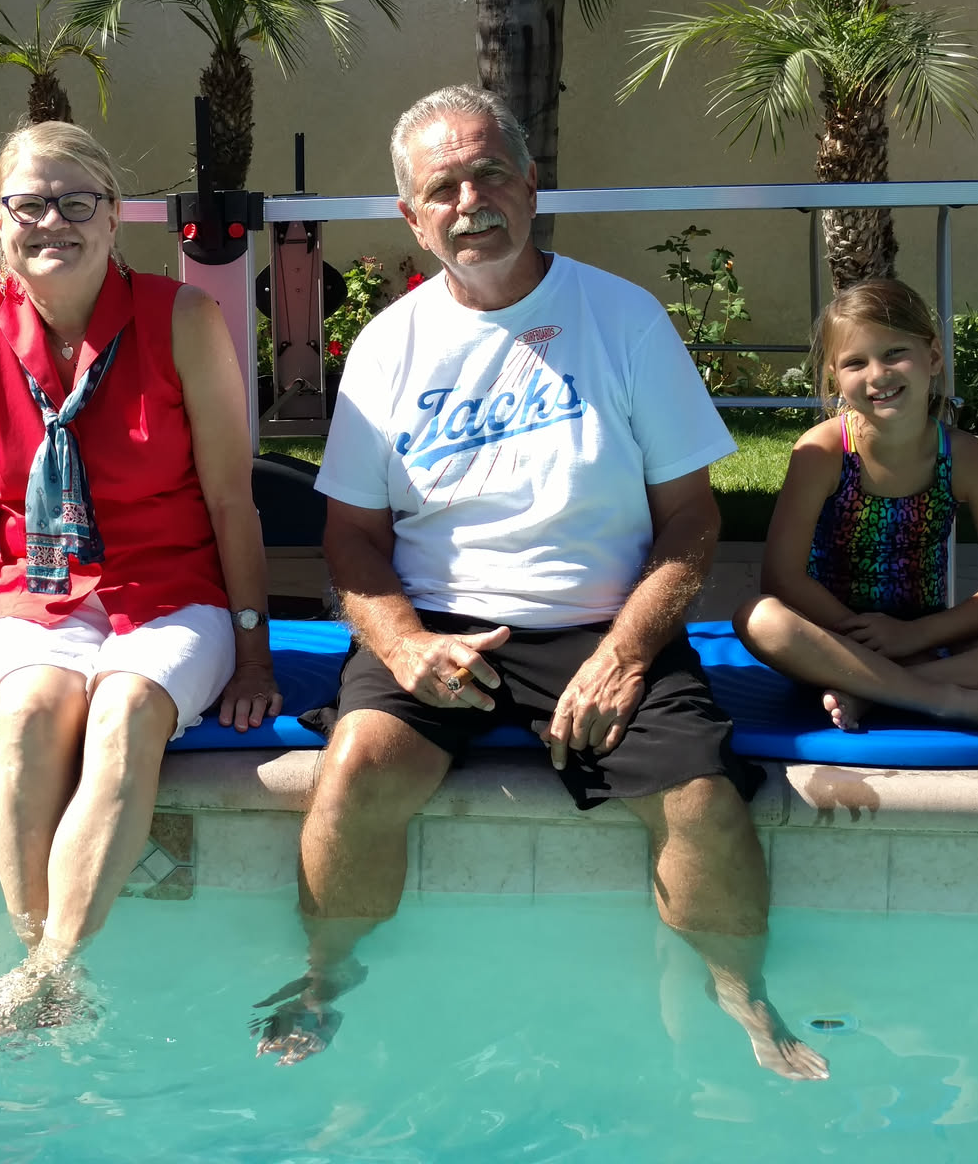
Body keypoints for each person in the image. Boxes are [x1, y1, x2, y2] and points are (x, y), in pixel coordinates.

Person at [252, 85, 827, 1081]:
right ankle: (326, 975)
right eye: (443, 188)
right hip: (439, 629)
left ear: (529, 185)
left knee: (701, 804)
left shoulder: (623, 319)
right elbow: (350, 537)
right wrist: (402, 644)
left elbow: (692, 518)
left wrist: (626, 654)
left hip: (604, 623)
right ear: (413, 218)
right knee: (353, 775)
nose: (470, 201)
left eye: (489, 175)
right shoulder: (388, 346)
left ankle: (739, 990)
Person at [0, 122, 278, 1036]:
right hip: (38, 589)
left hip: (171, 590)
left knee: (124, 710)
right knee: (31, 712)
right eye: (30, 204)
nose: (54, 222)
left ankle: (49, 971)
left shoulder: (182, 318)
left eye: (77, 202)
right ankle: (37, 958)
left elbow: (231, 498)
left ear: (115, 216)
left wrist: (253, 655)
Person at [734, 279, 978, 736]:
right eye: (855, 362)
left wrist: (914, 636)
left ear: (933, 357)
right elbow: (782, 578)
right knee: (758, 618)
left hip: (930, 639)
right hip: (834, 643)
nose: (877, 374)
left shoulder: (965, 458)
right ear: (835, 377)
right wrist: (864, 635)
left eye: (894, 353)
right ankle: (957, 701)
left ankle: (877, 690)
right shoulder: (823, 453)